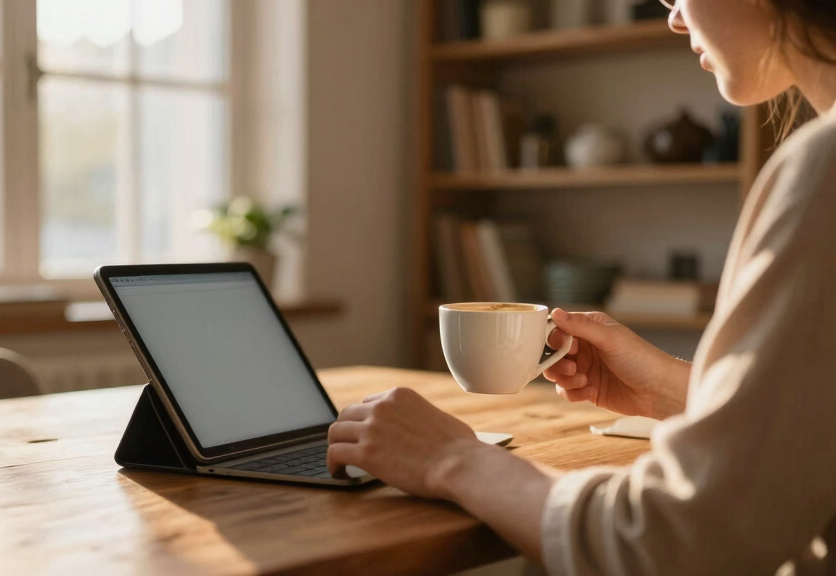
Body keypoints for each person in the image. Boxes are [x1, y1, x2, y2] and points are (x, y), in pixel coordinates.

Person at [326, 0, 836, 573]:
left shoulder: (823, 170)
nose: (672, 17)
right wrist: (672, 392)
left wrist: (452, 459)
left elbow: (679, 544)